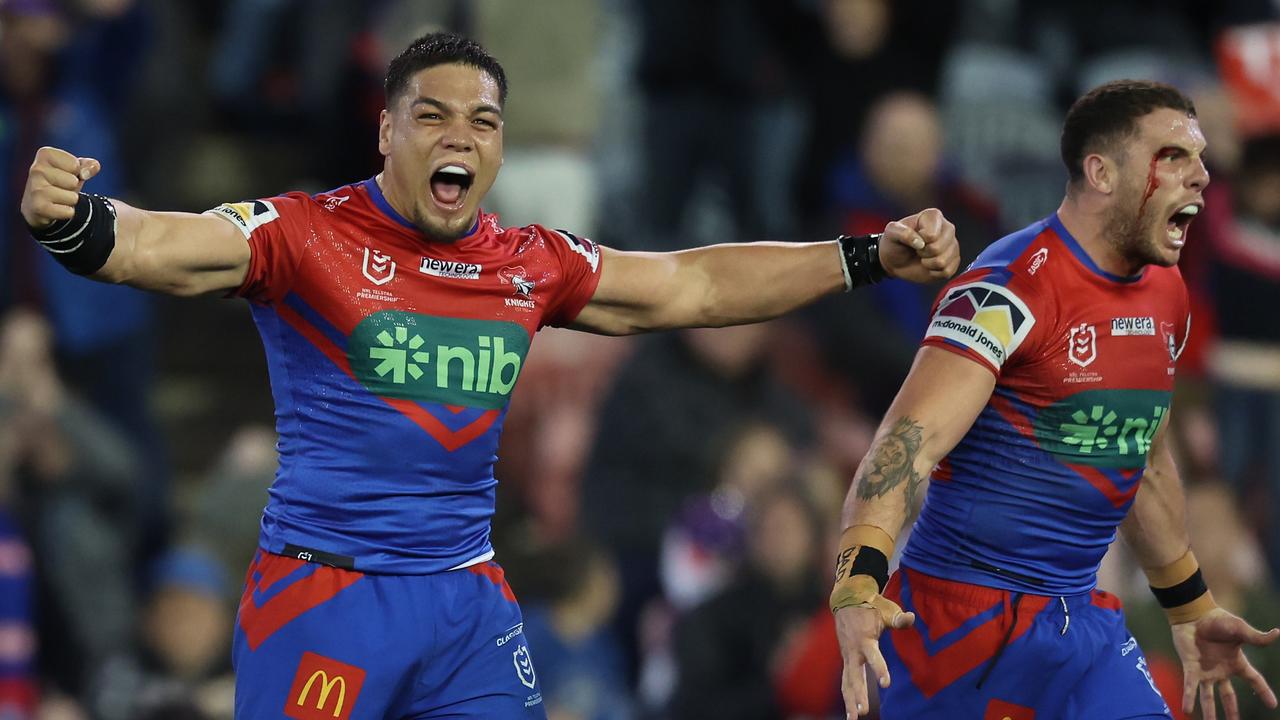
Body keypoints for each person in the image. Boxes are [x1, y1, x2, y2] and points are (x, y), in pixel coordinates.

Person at [19, 32, 959, 719]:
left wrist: (865, 254)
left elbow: (693, 282)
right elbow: (159, 246)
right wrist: (76, 223)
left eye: (482, 121)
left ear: (501, 146)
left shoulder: (529, 261)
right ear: (386, 132)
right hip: (326, 600)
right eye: (430, 116)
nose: (458, 136)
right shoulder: (303, 236)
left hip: (468, 603)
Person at [829, 79, 1279, 720]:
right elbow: (906, 446)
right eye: (1173, 157)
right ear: (1100, 172)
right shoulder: (1004, 292)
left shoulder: (1167, 293)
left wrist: (1192, 608)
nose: (1203, 176)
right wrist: (857, 584)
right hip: (964, 628)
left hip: (1082, 622)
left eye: (1200, 158)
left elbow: (1141, 463)